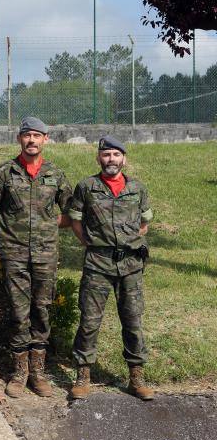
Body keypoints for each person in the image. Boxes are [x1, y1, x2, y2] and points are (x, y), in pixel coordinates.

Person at [0, 117, 73, 399]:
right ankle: (20, 372)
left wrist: (44, 224)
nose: (31, 140)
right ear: (19, 139)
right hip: (15, 254)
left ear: (46, 139)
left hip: (45, 254)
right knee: (19, 312)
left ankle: (39, 372)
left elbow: (72, 213)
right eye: (26, 135)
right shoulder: (5, 173)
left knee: (41, 309)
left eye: (37, 135)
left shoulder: (55, 175)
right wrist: (12, 227)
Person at [68, 137, 154, 401]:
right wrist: (93, 244)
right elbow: (75, 220)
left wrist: (130, 243)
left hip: (130, 266)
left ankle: (136, 377)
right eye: (106, 155)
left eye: (116, 154)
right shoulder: (87, 187)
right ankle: (83, 376)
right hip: (98, 265)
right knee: (90, 321)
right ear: (98, 158)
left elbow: (145, 222)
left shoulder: (137, 188)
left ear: (124, 159)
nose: (111, 160)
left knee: (133, 321)